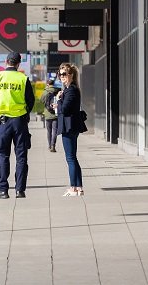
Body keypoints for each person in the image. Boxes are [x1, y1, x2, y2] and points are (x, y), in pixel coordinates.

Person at [0, 52, 35, 199]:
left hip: (2, 122)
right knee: (21, 157)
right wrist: (25, 113)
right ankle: (20, 190)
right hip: (20, 122)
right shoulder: (23, 79)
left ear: (6, 62)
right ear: (19, 63)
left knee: (3, 156)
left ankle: (3, 190)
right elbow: (31, 100)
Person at [56, 63, 84, 196]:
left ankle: (73, 187)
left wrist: (59, 100)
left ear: (71, 75)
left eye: (64, 74)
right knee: (73, 157)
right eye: (60, 74)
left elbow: (65, 109)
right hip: (71, 126)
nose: (61, 77)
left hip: (69, 127)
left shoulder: (71, 90)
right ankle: (79, 187)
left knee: (70, 158)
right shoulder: (70, 89)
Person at [40, 79, 59, 152]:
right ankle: (53, 145)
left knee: (49, 131)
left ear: (47, 84)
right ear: (53, 84)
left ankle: (49, 145)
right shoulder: (57, 91)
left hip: (47, 113)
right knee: (55, 131)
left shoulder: (45, 91)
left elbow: (41, 101)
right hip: (56, 113)